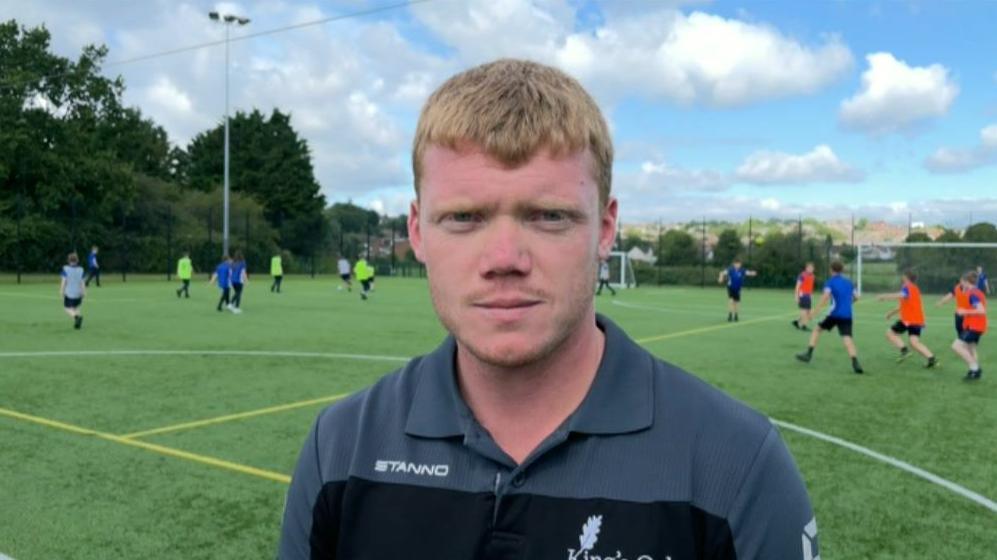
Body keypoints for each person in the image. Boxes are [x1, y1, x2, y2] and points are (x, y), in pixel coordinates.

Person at [279, 59, 816, 560]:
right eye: (464, 217)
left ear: (604, 230)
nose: (504, 259)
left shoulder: (736, 462)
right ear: (418, 231)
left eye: (548, 217)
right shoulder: (342, 446)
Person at [796, 260, 864, 373]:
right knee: (847, 338)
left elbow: (825, 297)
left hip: (834, 314)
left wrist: (814, 312)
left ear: (831, 270)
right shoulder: (849, 282)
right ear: (841, 270)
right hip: (847, 315)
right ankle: (855, 362)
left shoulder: (830, 282)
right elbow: (857, 297)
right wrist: (848, 303)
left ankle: (808, 354)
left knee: (817, 330)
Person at [876, 271, 937, 368]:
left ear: (906, 277)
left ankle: (905, 351)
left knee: (890, 333)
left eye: (903, 276)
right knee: (914, 342)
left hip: (909, 320)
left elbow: (899, 295)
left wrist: (884, 296)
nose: (902, 277)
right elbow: (904, 305)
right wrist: (891, 313)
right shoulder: (914, 288)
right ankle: (931, 358)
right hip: (917, 320)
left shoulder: (908, 288)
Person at [951, 270, 987, 381]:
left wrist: (964, 312)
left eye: (962, 282)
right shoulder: (975, 292)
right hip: (974, 325)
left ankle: (975, 369)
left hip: (974, 326)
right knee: (971, 349)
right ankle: (974, 372)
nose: (961, 285)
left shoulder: (973, 293)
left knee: (956, 346)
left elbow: (981, 310)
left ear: (966, 281)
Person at [60, 252, 86, 329]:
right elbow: (82, 282)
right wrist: (84, 291)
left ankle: (76, 317)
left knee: (67, 308)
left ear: (68, 260)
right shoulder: (81, 269)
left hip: (69, 293)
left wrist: (61, 290)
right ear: (77, 260)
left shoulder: (65, 269)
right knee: (76, 307)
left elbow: (63, 281)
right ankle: (78, 322)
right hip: (78, 293)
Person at [792, 262, 816, 330]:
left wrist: (811, 295)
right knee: (805, 311)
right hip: (802, 295)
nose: (811, 269)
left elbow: (810, 287)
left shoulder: (813, 276)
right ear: (806, 268)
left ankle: (797, 322)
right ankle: (803, 326)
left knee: (808, 311)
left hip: (808, 295)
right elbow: (797, 286)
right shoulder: (802, 275)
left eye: (812, 268)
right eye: (809, 268)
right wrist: (796, 296)